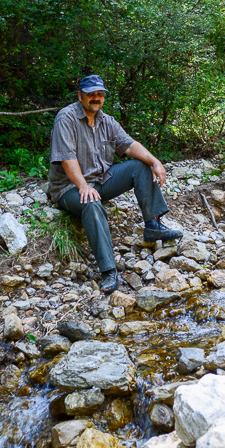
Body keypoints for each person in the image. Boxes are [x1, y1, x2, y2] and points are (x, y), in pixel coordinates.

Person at [48, 74, 183, 294]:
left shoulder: (106, 120)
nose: (95, 97)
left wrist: (155, 161)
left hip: (101, 181)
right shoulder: (66, 118)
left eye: (99, 94)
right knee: (91, 204)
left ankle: (153, 225)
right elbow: (66, 157)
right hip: (70, 187)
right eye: (91, 93)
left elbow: (129, 145)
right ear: (80, 95)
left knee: (140, 166)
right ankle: (109, 271)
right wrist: (83, 186)